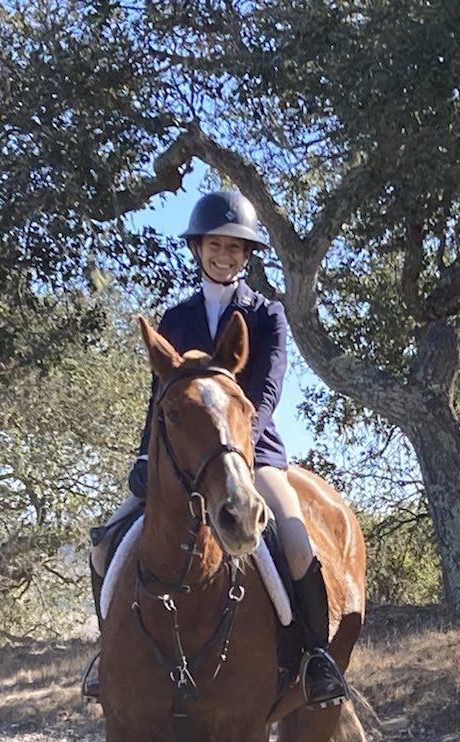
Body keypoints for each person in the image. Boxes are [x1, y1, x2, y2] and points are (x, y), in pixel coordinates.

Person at [86, 188, 348, 708]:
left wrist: (236, 450)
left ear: (246, 254)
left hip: (251, 452)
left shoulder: (268, 315)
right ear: (199, 249)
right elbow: (160, 399)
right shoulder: (176, 319)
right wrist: (145, 457)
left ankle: (318, 657)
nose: (224, 256)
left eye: (234, 248)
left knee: (296, 546)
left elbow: (266, 394)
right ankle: (107, 653)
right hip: (183, 458)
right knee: (104, 545)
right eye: (215, 246)